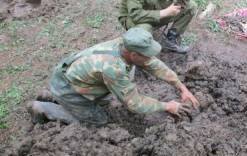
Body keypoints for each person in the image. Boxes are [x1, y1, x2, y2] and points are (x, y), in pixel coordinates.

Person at [27, 28, 199, 126]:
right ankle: (44, 107)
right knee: (97, 121)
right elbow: (135, 104)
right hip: (70, 88)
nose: (149, 58)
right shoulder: (114, 69)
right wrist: (167, 106)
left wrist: (181, 87)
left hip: (74, 75)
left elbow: (154, 65)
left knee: (116, 89)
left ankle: (52, 94)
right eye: (146, 55)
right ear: (132, 53)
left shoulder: (125, 44)